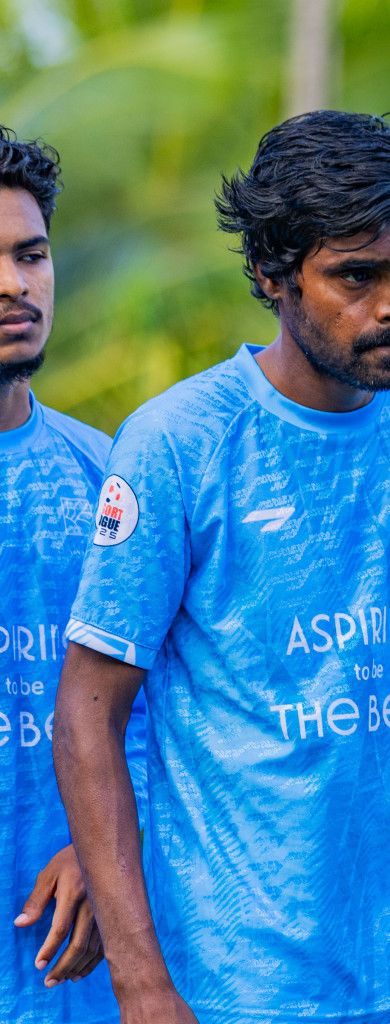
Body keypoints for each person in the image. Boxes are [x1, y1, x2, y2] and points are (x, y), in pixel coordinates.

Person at [53, 111, 390, 1024]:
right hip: (238, 990)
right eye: (358, 275)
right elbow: (87, 718)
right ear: (273, 275)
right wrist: (143, 986)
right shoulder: (178, 445)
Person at [0, 125, 146, 1024]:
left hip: (81, 982)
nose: (15, 285)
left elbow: (182, 709)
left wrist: (110, 848)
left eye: (31, 254)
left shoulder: (114, 481)